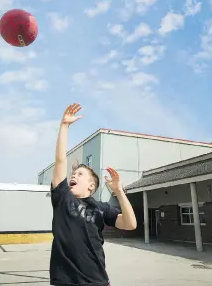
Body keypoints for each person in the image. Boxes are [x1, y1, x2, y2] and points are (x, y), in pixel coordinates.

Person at [50, 103, 137, 286]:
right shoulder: (63, 199)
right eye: (73, 174)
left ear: (91, 186)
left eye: (80, 174)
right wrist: (64, 126)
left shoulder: (100, 208)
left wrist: (119, 191)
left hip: (97, 281)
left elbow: (130, 224)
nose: (73, 175)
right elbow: (59, 161)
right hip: (64, 281)